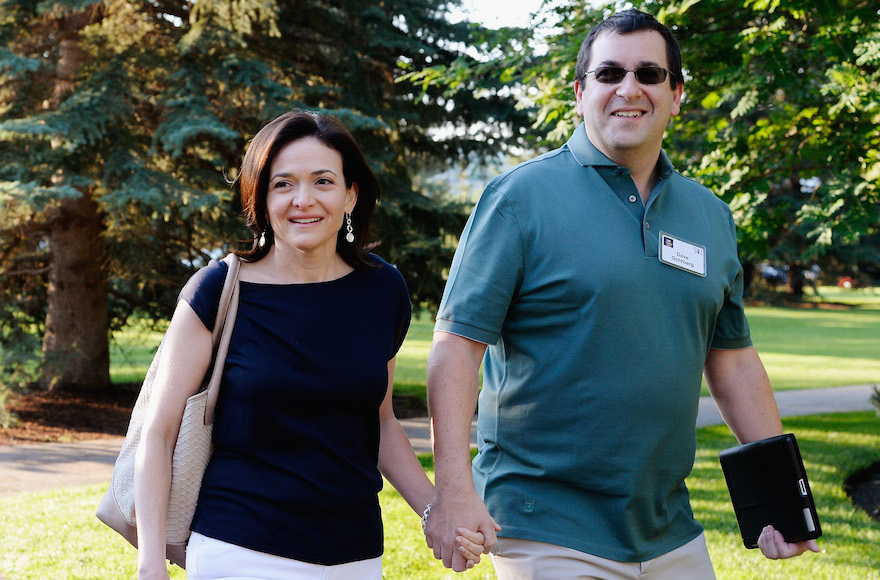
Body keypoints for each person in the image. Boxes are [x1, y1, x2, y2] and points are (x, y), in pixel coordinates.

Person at [423, 9, 820, 579]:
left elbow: (731, 361)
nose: (628, 89)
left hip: (669, 528)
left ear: (677, 94)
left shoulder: (710, 216)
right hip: (544, 526)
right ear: (581, 93)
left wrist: (782, 496)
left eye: (649, 74)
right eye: (609, 74)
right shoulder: (519, 199)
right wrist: (454, 489)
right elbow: (457, 345)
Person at [133, 111, 485, 579]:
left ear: (350, 194)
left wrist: (436, 511)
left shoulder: (382, 290)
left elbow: (379, 421)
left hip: (355, 555)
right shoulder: (217, 291)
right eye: (283, 184)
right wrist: (149, 562)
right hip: (240, 550)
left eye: (323, 181)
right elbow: (159, 434)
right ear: (261, 197)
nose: (304, 200)